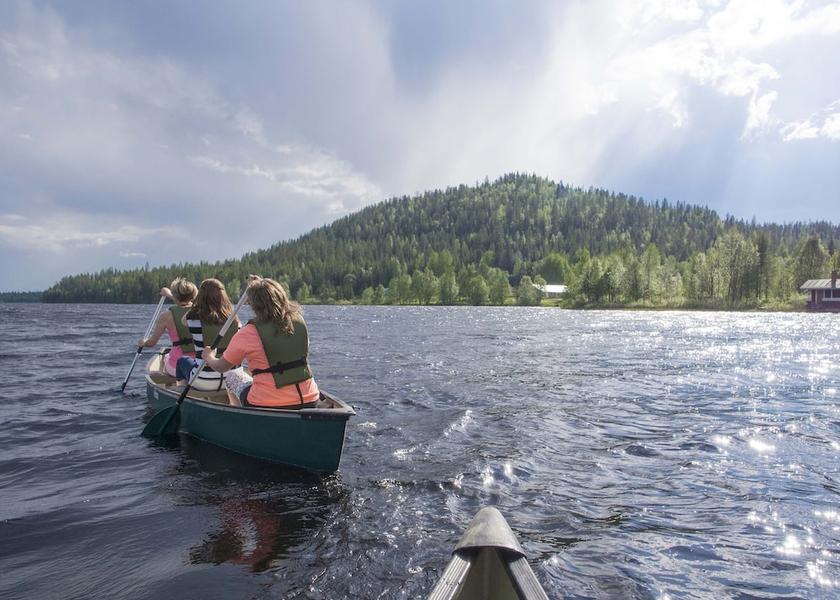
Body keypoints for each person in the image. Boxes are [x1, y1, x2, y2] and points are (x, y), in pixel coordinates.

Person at [202, 276, 320, 408]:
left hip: (266, 403)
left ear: (253, 304)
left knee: (232, 375)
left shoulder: (248, 333)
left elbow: (221, 367)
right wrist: (260, 284)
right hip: (310, 398)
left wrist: (209, 357)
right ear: (281, 296)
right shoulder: (298, 323)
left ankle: (238, 416)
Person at [175, 278, 240, 391]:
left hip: (203, 379)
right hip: (233, 379)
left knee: (182, 361)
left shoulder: (192, 319)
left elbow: (182, 321)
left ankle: (182, 392)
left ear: (200, 296)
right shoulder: (235, 321)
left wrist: (195, 304)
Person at [138, 277, 198, 378]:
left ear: (175, 296)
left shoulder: (166, 316)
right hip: (199, 364)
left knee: (165, 358)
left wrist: (143, 343)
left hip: (177, 365)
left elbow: (152, 343)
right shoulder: (200, 310)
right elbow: (184, 302)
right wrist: (168, 293)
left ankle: (170, 383)